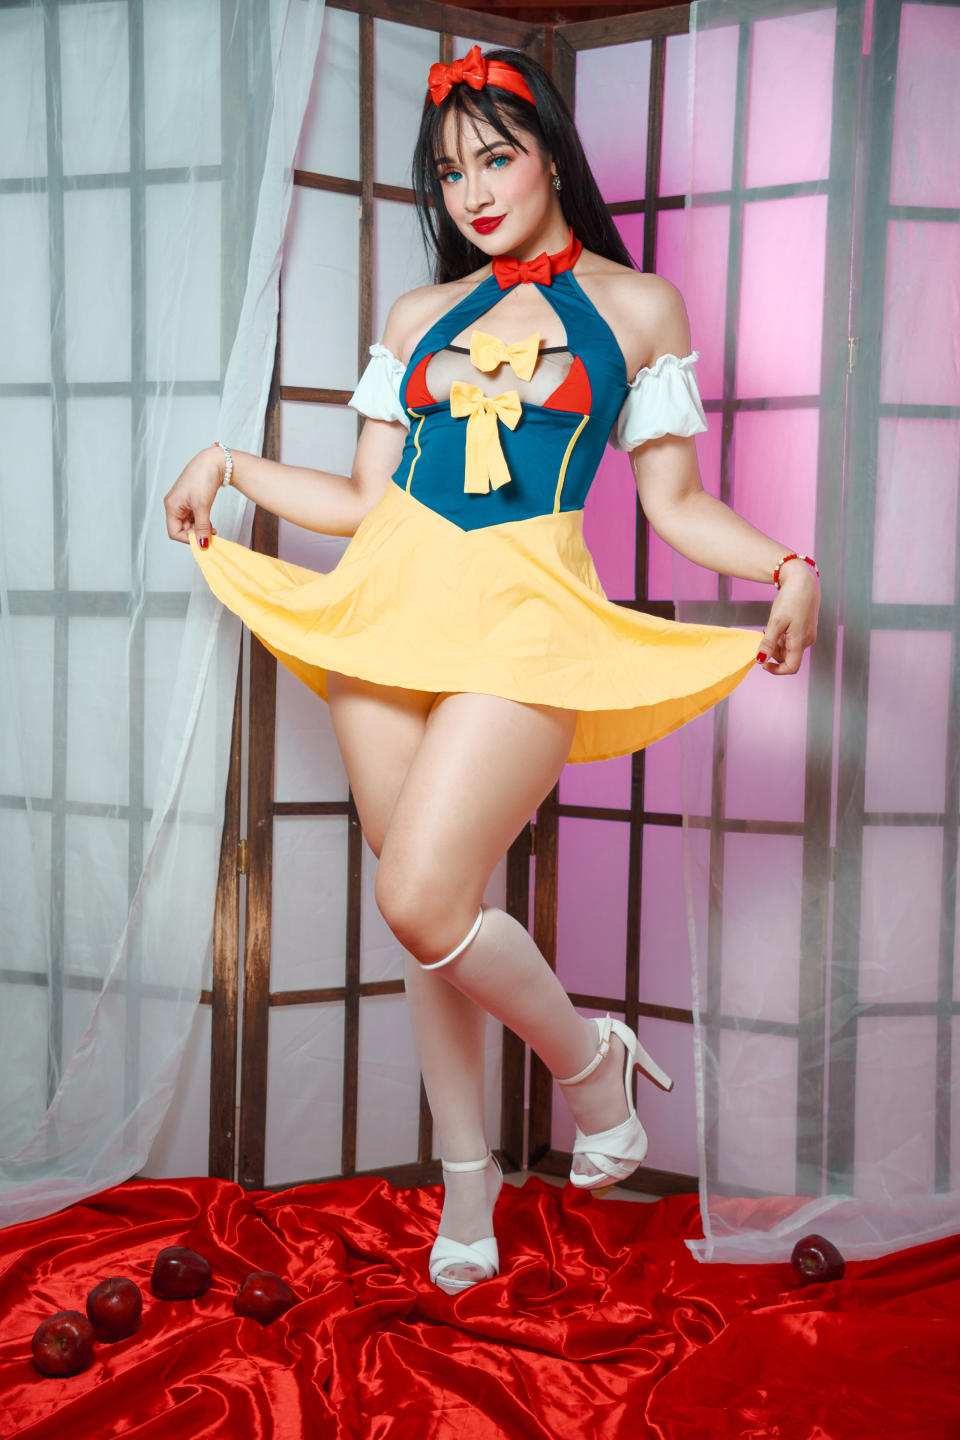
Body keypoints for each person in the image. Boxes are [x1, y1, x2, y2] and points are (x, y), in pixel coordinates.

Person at [163, 45, 820, 1296]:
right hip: (383, 616)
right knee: (428, 916)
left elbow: (676, 504)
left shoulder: (639, 309)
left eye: (496, 158)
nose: (471, 192)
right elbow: (364, 501)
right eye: (450, 171)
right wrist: (229, 465)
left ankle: (587, 1064)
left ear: (552, 156)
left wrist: (786, 564)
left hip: (524, 622)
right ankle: (470, 1182)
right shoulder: (420, 318)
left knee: (421, 895)